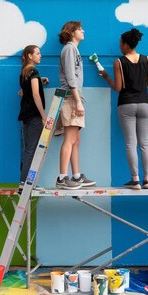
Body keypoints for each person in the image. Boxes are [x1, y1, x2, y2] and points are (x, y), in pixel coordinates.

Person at [100, 28, 148, 190]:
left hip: (126, 104)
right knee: (145, 143)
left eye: (120, 43)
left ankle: (135, 180)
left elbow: (118, 87)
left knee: (131, 143)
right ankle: (147, 180)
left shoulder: (119, 62)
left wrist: (107, 77)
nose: (119, 46)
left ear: (125, 45)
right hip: (145, 104)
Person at [55, 21, 96, 190]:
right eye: (80, 29)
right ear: (72, 32)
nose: (83, 31)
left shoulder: (73, 49)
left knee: (75, 140)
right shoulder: (69, 49)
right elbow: (71, 76)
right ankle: (62, 177)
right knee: (70, 138)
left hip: (74, 97)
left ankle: (76, 176)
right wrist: (78, 101)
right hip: (71, 98)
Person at [18, 45, 49, 192]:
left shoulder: (25, 72)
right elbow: (35, 95)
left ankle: (26, 183)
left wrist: (40, 80)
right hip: (34, 116)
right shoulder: (33, 71)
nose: (40, 55)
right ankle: (25, 183)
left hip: (26, 116)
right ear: (30, 56)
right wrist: (44, 116)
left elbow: (24, 92)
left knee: (29, 150)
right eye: (38, 53)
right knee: (32, 150)